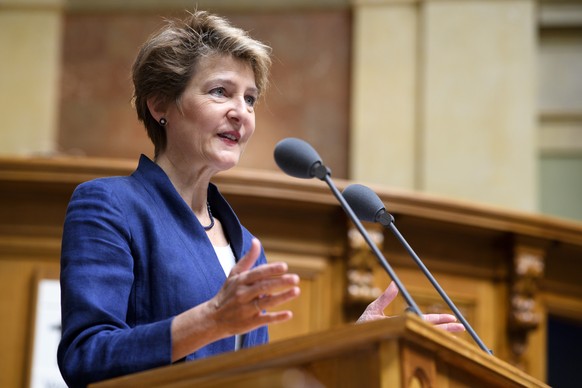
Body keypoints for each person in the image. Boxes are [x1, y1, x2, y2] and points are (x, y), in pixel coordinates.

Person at [57, 10, 463, 387]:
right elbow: (85, 356)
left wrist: (356, 347)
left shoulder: (247, 246)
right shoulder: (111, 205)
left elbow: (257, 375)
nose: (241, 112)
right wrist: (212, 318)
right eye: (221, 92)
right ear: (161, 103)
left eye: (249, 99)